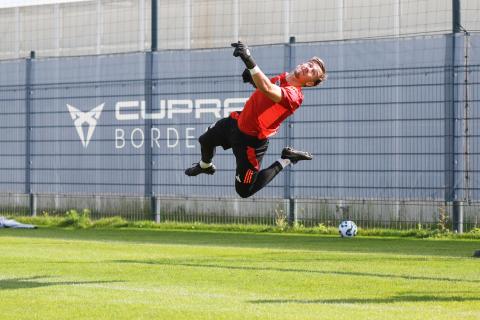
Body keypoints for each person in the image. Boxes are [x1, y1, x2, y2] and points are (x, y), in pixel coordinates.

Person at [185, 41, 327, 198]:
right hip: (237, 121)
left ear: (309, 82)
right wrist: (253, 80)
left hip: (250, 144)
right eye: (310, 64)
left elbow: (267, 88)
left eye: (313, 72)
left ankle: (286, 159)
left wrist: (248, 58)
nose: (308, 67)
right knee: (205, 140)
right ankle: (205, 166)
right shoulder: (284, 77)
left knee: (244, 191)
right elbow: (265, 91)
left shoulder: (294, 96)